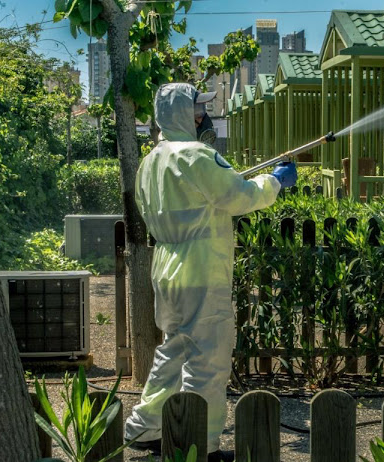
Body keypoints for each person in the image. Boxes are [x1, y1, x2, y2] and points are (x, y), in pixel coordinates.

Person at [124, 83, 297, 462]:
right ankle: (202, 445)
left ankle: (145, 427)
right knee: (208, 359)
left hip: (167, 269)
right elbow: (240, 197)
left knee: (173, 351)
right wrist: (275, 182)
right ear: (186, 114)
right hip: (202, 269)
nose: (205, 117)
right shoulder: (198, 156)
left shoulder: (151, 161)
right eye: (199, 110)